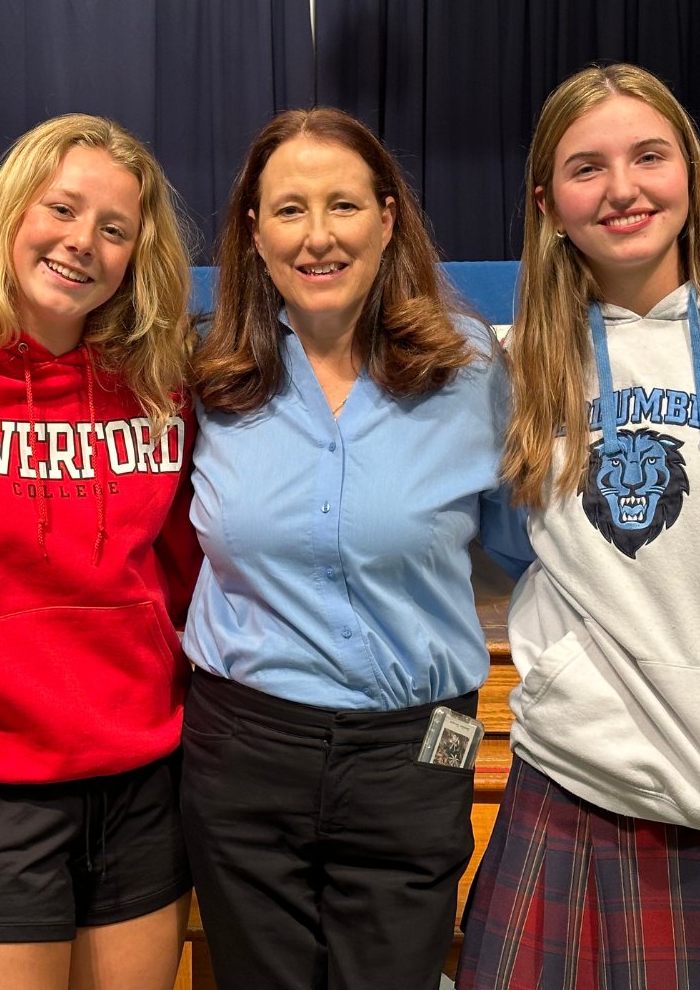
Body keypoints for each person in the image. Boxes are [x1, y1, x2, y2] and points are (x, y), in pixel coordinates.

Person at [180, 106, 533, 990]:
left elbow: (521, 552)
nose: (317, 236)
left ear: (387, 218)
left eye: (342, 205)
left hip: (415, 752)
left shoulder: (470, 371)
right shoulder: (208, 373)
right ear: (253, 233)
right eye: (289, 209)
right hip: (243, 750)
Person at [0, 114, 200, 990]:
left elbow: (186, 569)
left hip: (141, 774)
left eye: (114, 228)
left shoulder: (160, 383)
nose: (81, 241)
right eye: (62, 208)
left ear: (137, 254)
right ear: (13, 211)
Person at [456, 63, 700, 988]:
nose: (623, 190)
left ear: (689, 167)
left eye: (649, 156)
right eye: (586, 167)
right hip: (576, 781)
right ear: (546, 200)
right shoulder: (513, 366)